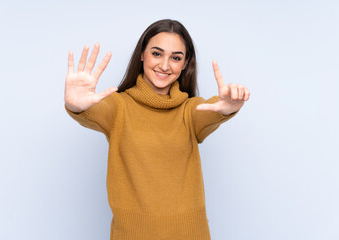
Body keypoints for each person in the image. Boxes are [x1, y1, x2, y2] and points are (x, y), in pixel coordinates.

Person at [64, 19, 250, 240]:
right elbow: (93, 111)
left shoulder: (190, 110)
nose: (165, 65)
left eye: (176, 58)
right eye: (157, 53)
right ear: (142, 54)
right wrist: (75, 104)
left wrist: (228, 107)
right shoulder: (118, 107)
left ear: (185, 64)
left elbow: (209, 111)